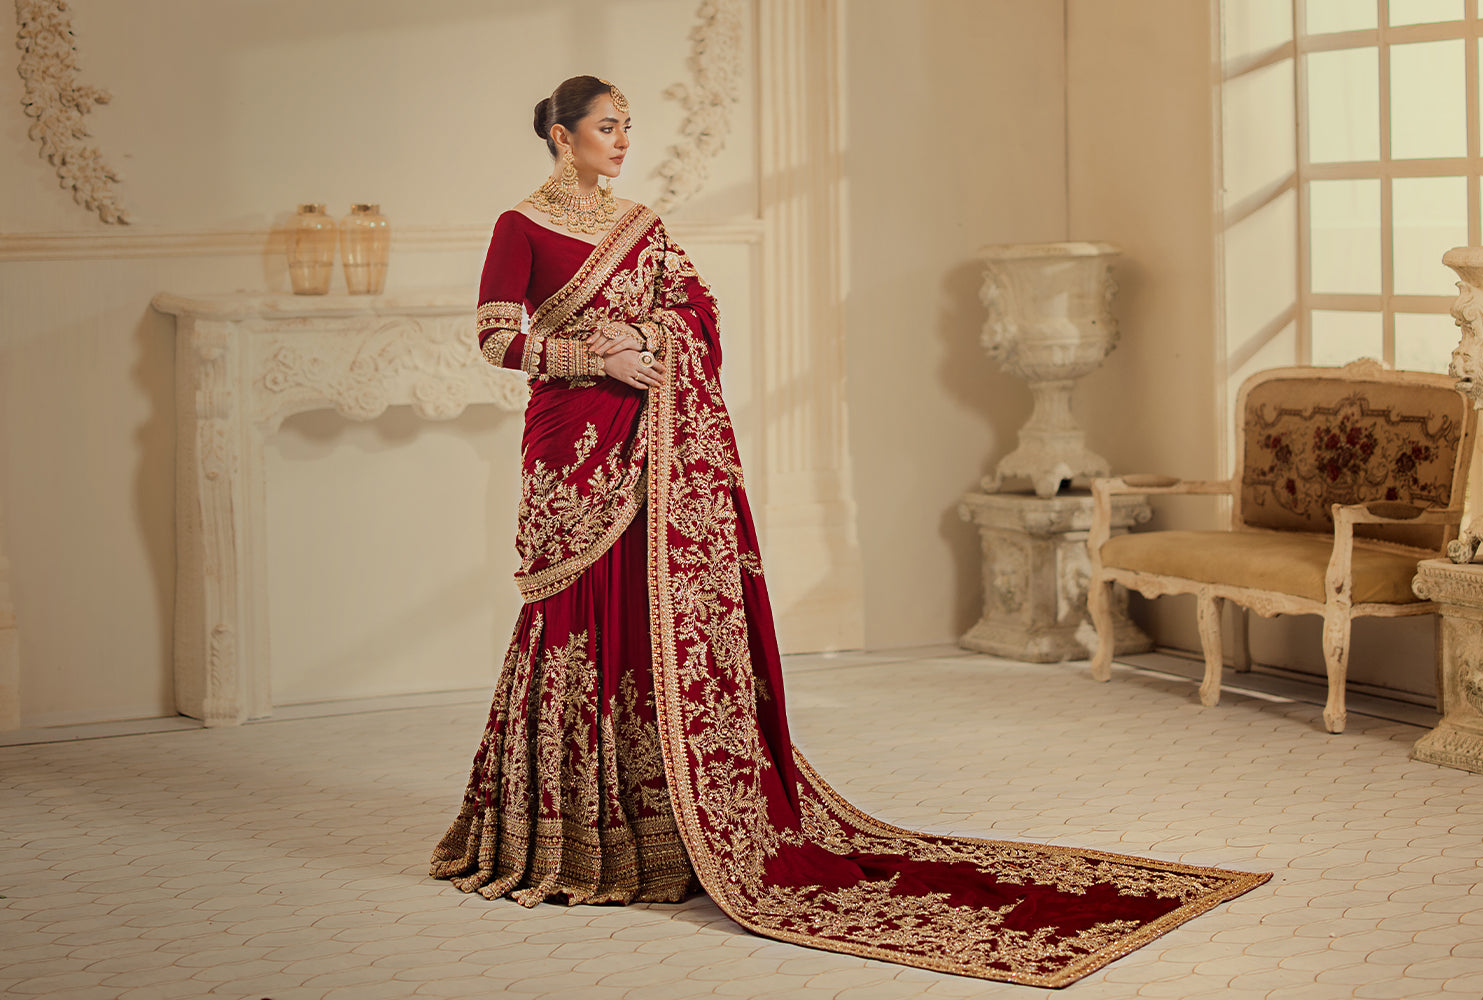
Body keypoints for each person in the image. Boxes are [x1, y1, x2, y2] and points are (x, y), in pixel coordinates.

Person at [431, 75, 1267, 988]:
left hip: (653, 441)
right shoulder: (520, 227)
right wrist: (594, 354)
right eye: (606, 127)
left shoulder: (641, 223)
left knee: (654, 621)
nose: (623, 140)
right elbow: (496, 337)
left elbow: (699, 310)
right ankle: (568, 829)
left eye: (629, 126)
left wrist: (654, 343)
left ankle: (665, 817)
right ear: (562, 136)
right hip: (573, 446)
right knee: (576, 619)